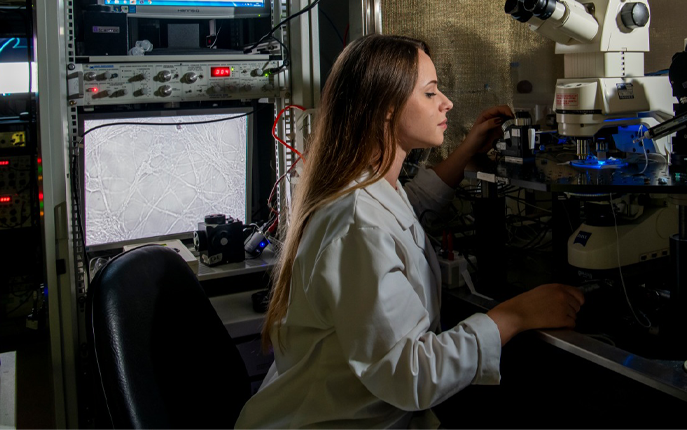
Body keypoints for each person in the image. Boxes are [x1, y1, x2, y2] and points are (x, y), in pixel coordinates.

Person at [236, 35, 583, 429]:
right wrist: (514, 315)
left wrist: (467, 151)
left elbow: (407, 208)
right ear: (386, 109)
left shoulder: (368, 185)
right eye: (431, 92)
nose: (446, 102)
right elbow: (411, 374)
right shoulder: (356, 222)